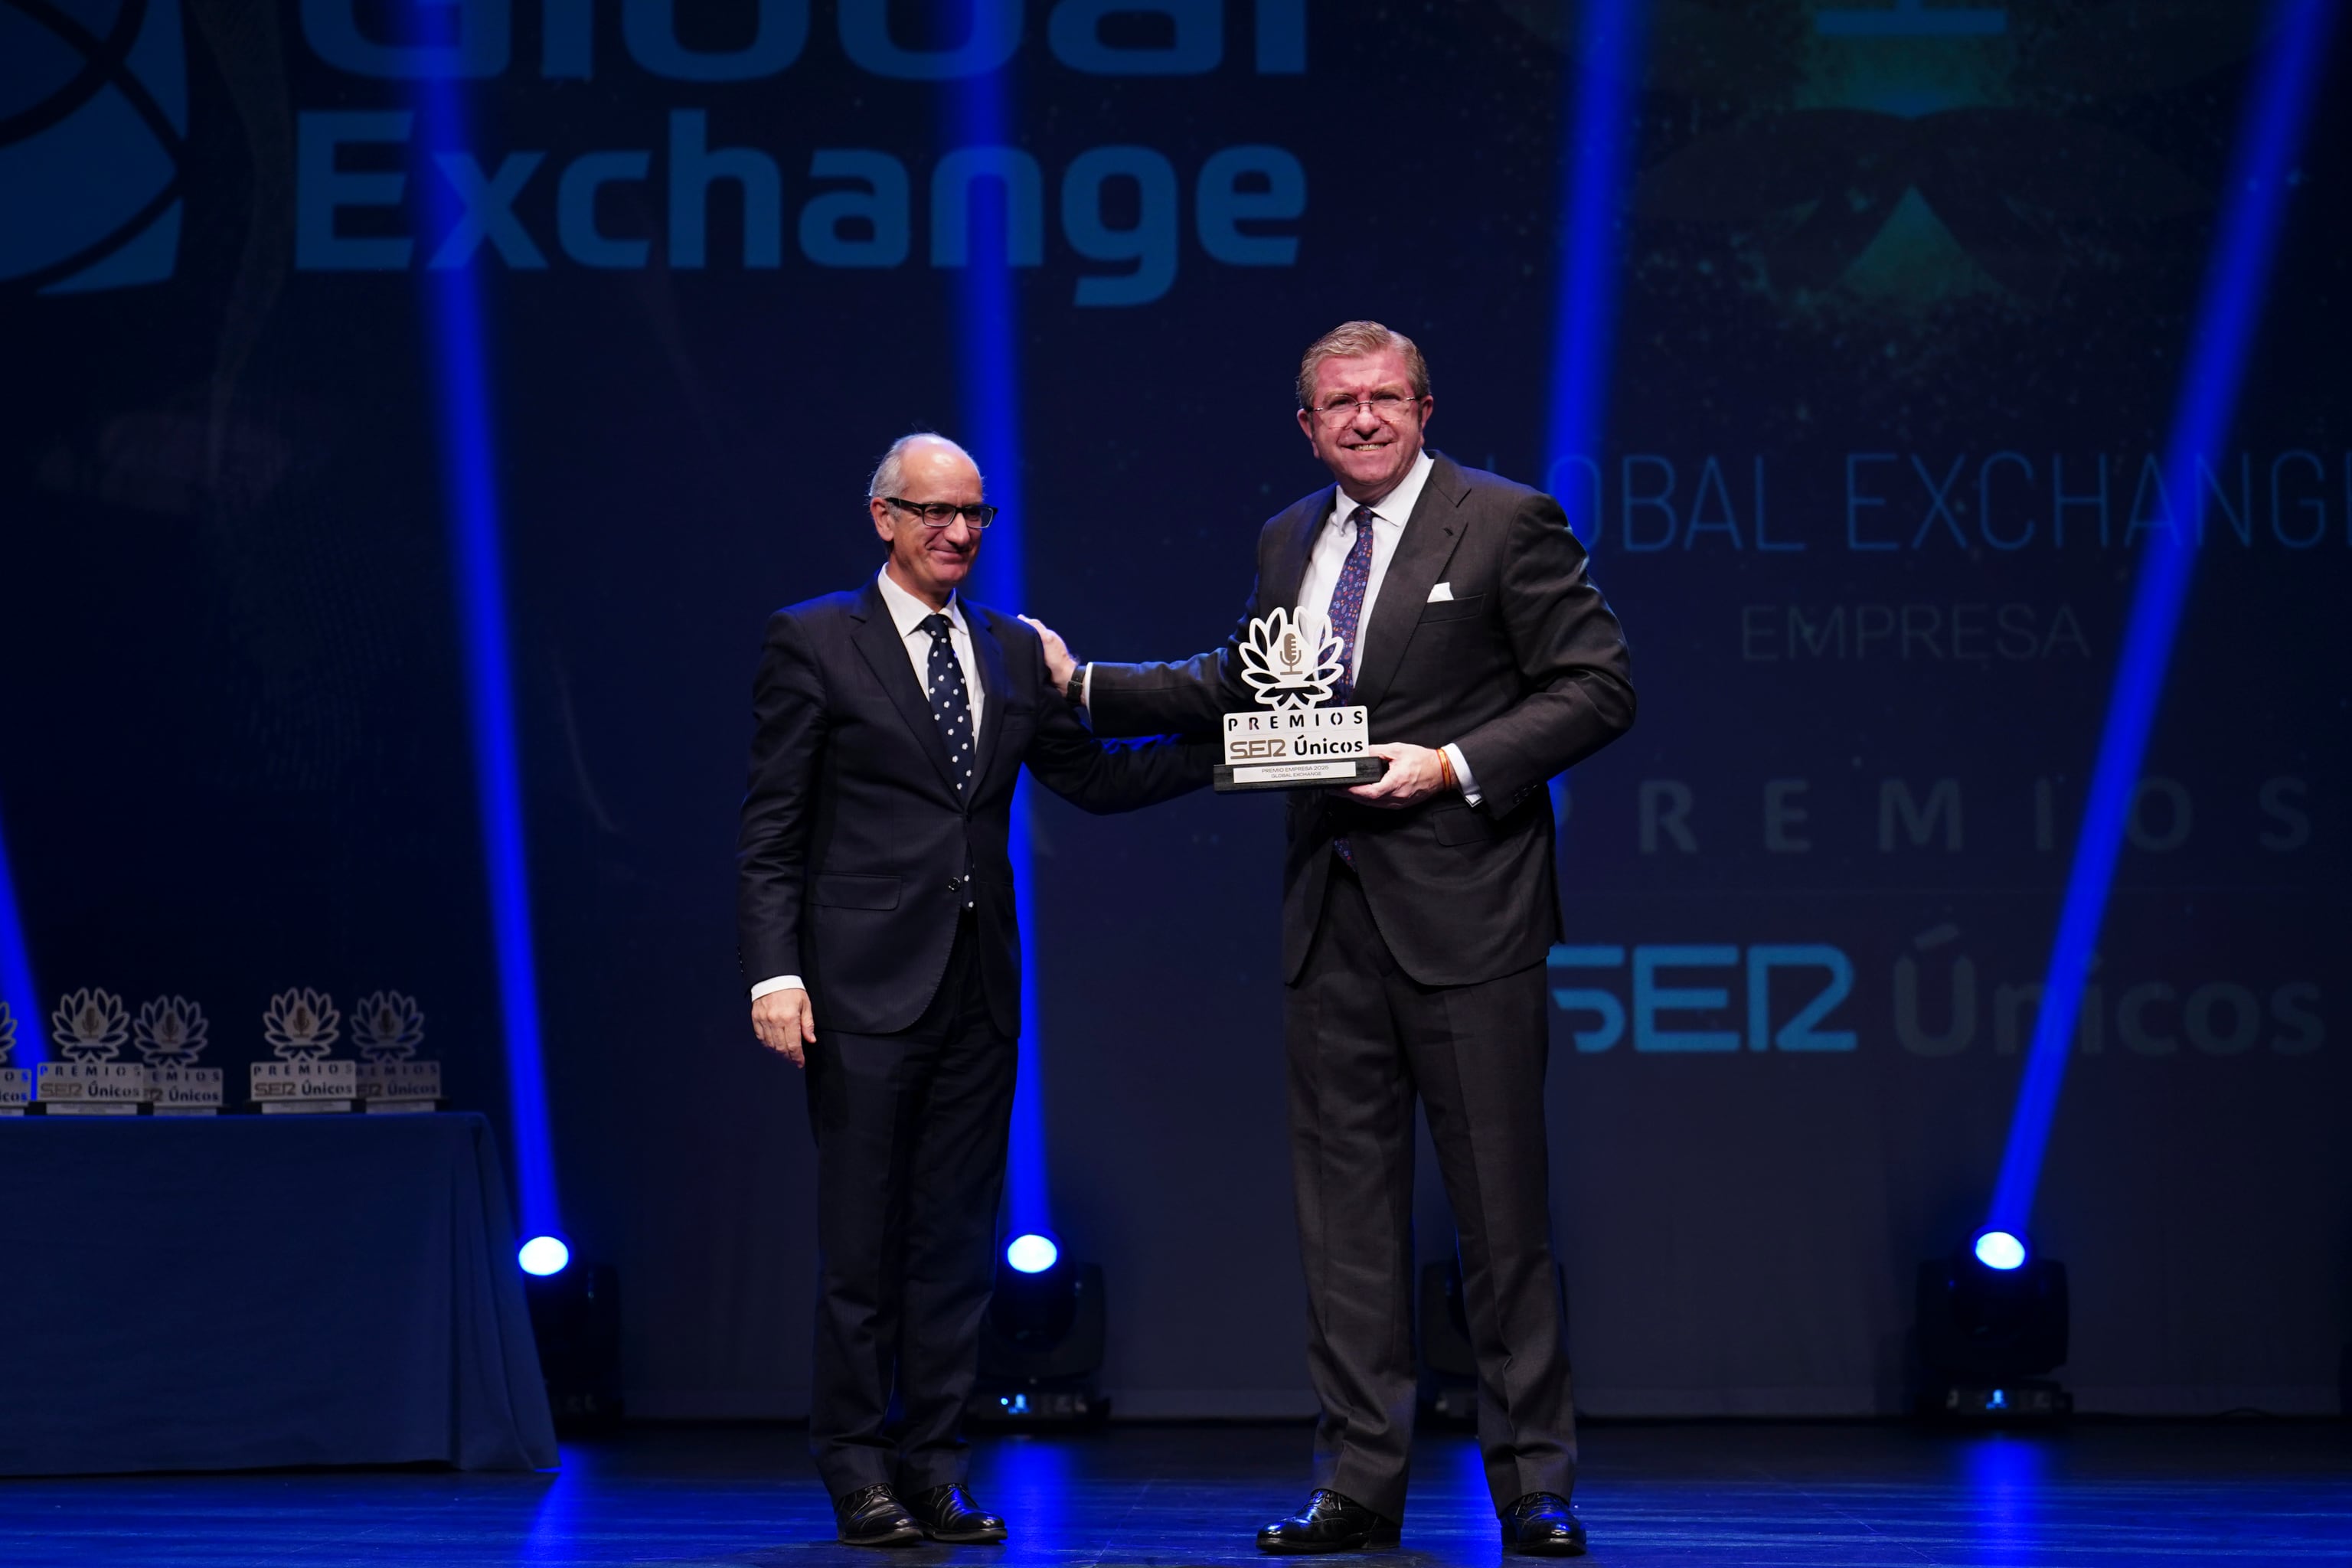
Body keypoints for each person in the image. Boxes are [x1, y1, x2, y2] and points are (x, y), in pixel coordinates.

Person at [1029, 322, 1635, 1557]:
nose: (1363, 419)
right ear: (1306, 424)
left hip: (1471, 920)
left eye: (1385, 398)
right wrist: (1086, 685)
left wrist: (1454, 763)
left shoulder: (1509, 522)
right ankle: (1360, 1482)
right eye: (1338, 404)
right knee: (1345, 1223)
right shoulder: (1288, 538)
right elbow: (1248, 685)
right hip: (1331, 918)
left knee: (1500, 1220)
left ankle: (1534, 1485)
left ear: (1425, 405)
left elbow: (1597, 685)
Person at [736, 433, 1209, 1548]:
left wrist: (1235, 751)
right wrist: (774, 968)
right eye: (935, 512)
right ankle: (856, 1468)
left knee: (954, 1246)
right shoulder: (812, 640)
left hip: (976, 991)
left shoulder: (1006, 648)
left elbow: (1089, 777)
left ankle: (934, 1464)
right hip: (855, 992)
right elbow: (771, 831)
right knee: (862, 1244)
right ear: (883, 517)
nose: (958, 533)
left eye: (976, 515)